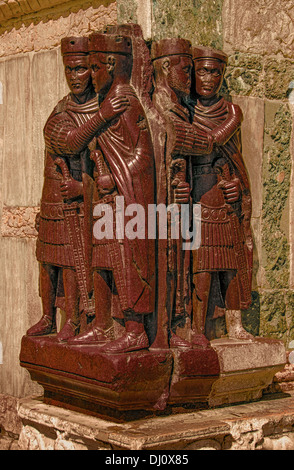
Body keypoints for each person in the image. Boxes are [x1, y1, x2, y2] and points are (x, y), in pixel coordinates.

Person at [27, 36, 128, 342]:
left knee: (73, 260)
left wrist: (84, 186)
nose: (74, 76)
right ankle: (48, 316)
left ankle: (74, 318)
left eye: (82, 68)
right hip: (56, 197)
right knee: (49, 259)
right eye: (69, 69)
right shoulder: (62, 112)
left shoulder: (104, 106)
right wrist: (104, 116)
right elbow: (70, 141)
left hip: (87, 201)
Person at [69, 33, 156, 353]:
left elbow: (143, 154)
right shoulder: (107, 102)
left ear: (110, 64)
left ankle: (135, 330)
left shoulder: (125, 100)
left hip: (124, 198)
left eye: (93, 68)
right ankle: (102, 324)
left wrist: (117, 178)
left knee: (126, 262)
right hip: (108, 200)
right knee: (102, 262)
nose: (90, 76)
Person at [190, 46, 254, 341]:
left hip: (223, 200)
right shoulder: (185, 110)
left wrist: (238, 185)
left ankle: (235, 324)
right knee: (200, 268)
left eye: (216, 72)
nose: (209, 78)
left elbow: (236, 159)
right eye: (203, 70)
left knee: (231, 266)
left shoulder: (230, 111)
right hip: (196, 200)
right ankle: (196, 327)